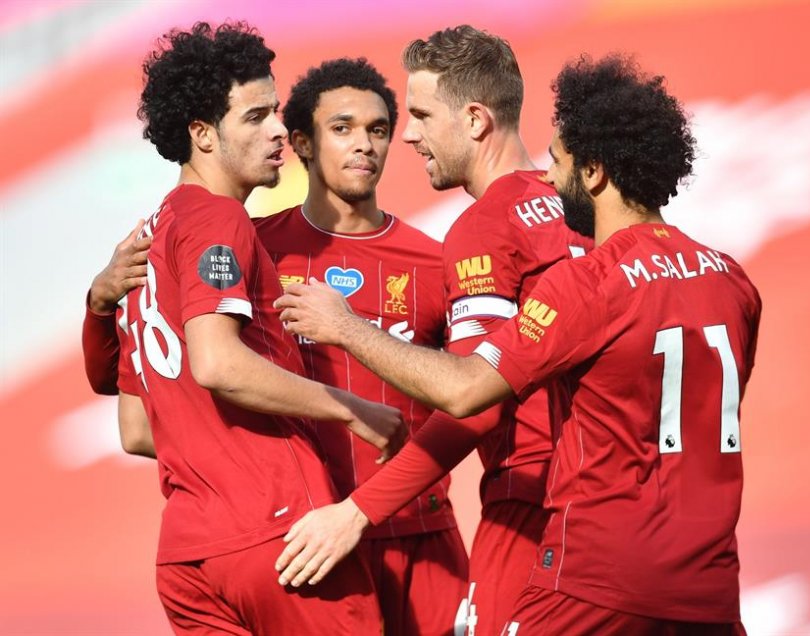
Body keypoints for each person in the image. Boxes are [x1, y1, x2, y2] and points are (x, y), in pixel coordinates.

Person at [275, 54, 761, 634]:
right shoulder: (732, 278)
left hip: (581, 550)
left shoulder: (559, 268)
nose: (549, 180)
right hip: (708, 579)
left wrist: (347, 327)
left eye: (422, 115)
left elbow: (470, 395)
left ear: (594, 171)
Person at [82, 57, 468, 635]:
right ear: (304, 143)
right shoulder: (240, 239)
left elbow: (476, 396)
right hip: (296, 531)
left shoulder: (438, 262)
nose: (364, 144)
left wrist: (97, 304)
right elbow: (211, 368)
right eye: (341, 128)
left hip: (407, 531)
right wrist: (351, 409)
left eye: (379, 129)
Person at [276, 25, 592, 636]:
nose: (408, 133)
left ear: (474, 120)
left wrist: (357, 512)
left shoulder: (484, 226)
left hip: (533, 506)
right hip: (619, 500)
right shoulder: (586, 208)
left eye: (418, 114)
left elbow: (475, 402)